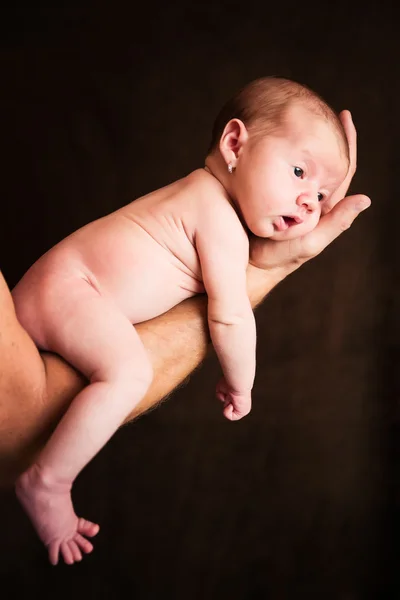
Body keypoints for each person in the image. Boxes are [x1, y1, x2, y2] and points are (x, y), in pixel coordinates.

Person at [3, 76, 369, 566]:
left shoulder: (208, 203)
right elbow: (231, 316)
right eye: (299, 171)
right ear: (235, 143)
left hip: (58, 293)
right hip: (70, 290)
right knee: (129, 372)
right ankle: (48, 480)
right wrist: (243, 384)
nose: (310, 203)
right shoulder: (213, 213)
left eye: (323, 197)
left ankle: (46, 475)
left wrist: (276, 255)